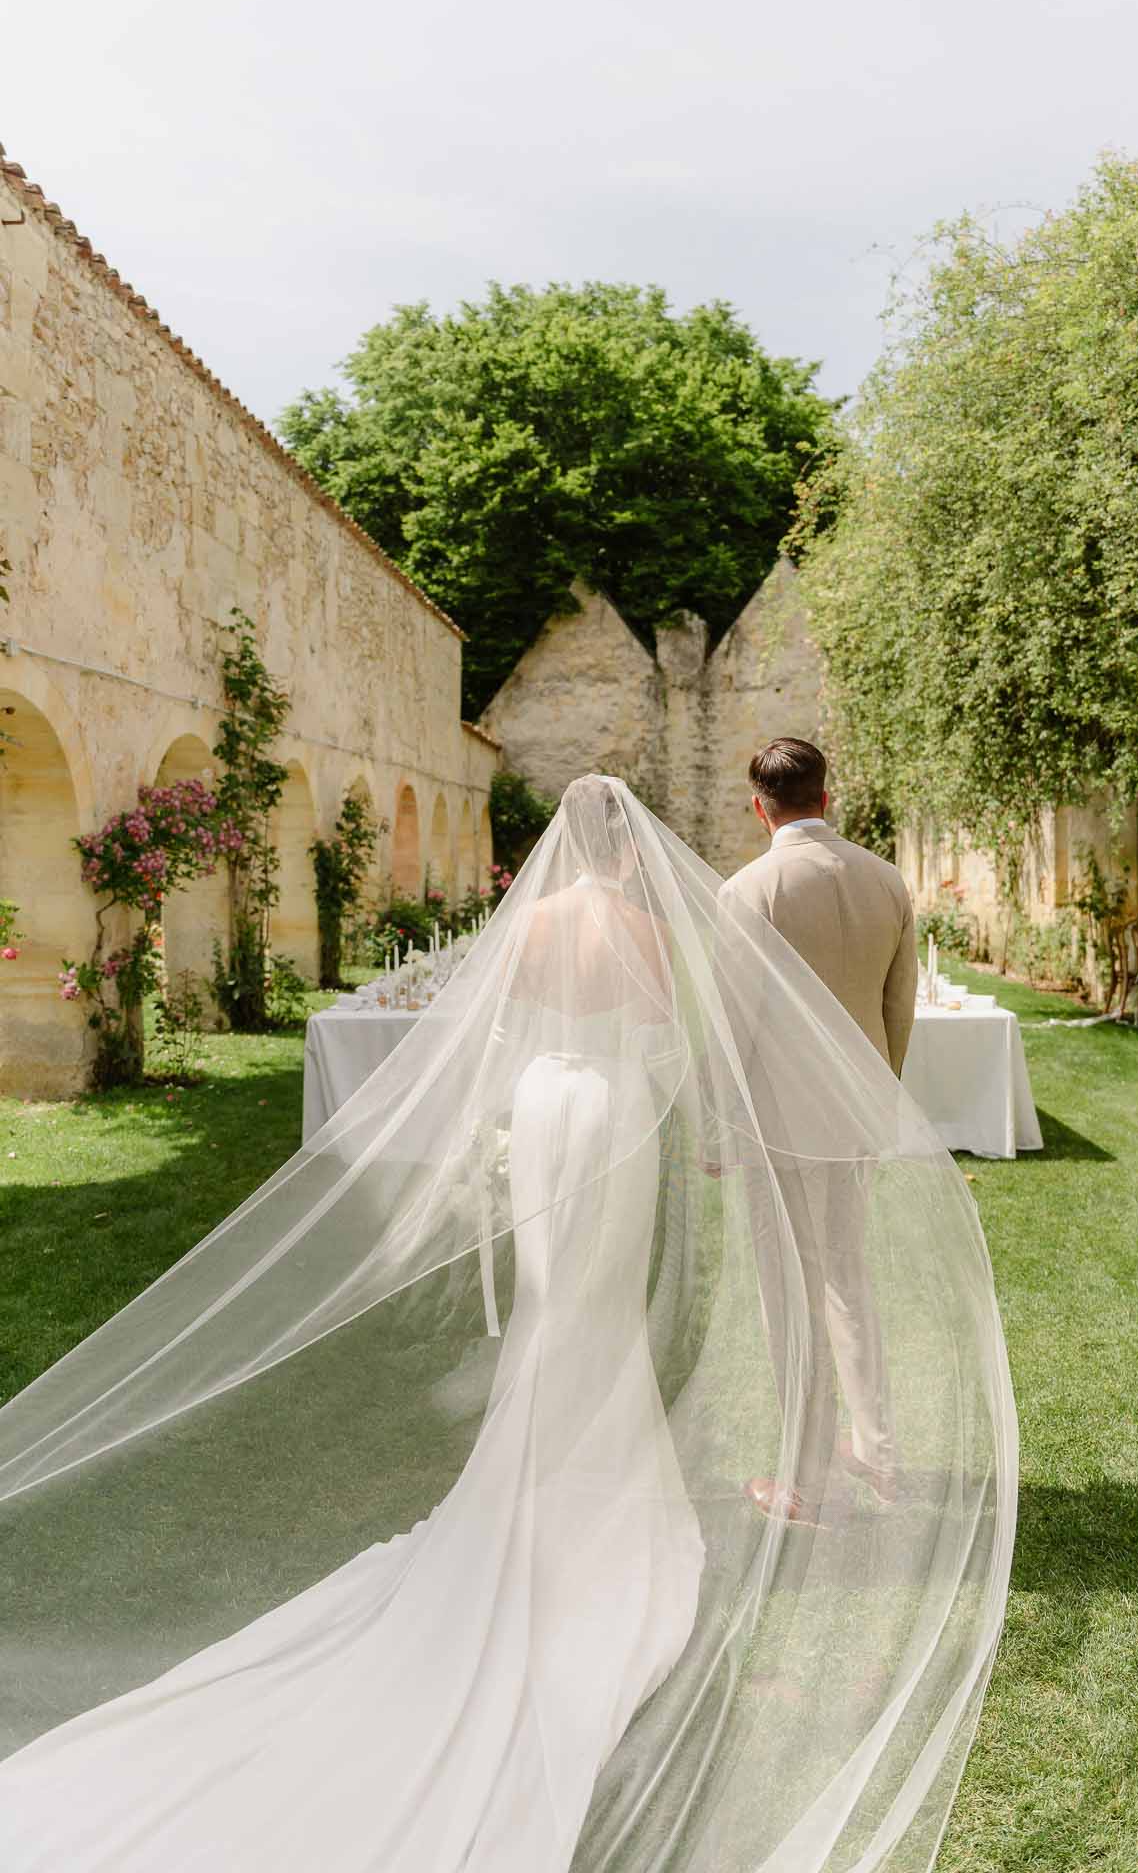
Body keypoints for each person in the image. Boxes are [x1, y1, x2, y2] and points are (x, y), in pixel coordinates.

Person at [0, 777, 1014, 1873]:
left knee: (548, 1296)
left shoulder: (528, 920)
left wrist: (516, 1112)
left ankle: (527, 1466)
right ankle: (601, 1473)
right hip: (613, 1114)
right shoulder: (642, 923)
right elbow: (671, 1042)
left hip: (541, 1107)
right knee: (600, 1301)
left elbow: (491, 1034)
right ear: (632, 849)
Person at [721, 738, 918, 1522]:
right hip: (858, 1112)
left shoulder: (748, 890)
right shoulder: (886, 879)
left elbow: (734, 1028)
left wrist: (718, 1129)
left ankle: (800, 1477)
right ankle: (876, 1452)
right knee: (848, 1280)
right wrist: (878, 1093)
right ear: (825, 796)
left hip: (778, 1123)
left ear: (758, 805)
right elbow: (897, 1008)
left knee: (789, 1295)